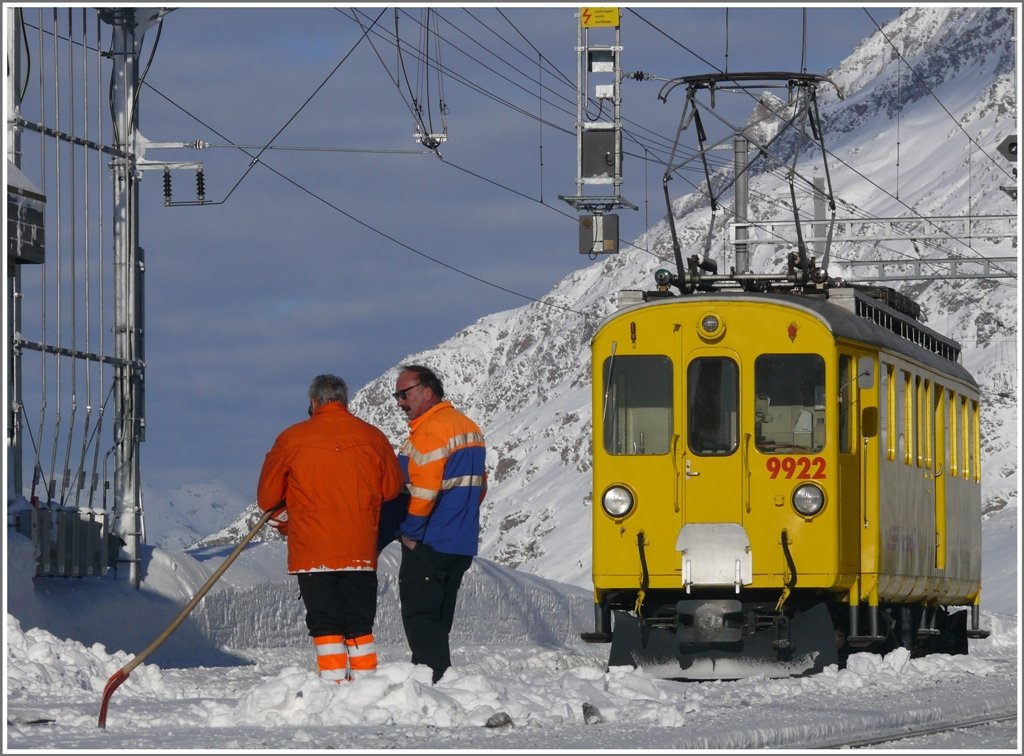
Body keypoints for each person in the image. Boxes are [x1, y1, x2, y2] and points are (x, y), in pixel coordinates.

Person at [257, 374, 405, 683]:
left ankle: (334, 679)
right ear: (345, 402)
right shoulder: (373, 438)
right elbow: (391, 489)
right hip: (359, 548)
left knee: (324, 621)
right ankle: (366, 683)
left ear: (313, 402)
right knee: (359, 621)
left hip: (313, 550)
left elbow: (267, 498)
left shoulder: (290, 439)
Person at [393, 364, 487, 684]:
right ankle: (435, 678)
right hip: (460, 542)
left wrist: (410, 532)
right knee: (439, 618)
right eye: (397, 395)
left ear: (427, 392)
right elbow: (480, 487)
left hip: (431, 540)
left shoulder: (433, 429)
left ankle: (433, 682)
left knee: (421, 616)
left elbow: (423, 490)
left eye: (404, 394)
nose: (399, 402)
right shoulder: (468, 427)